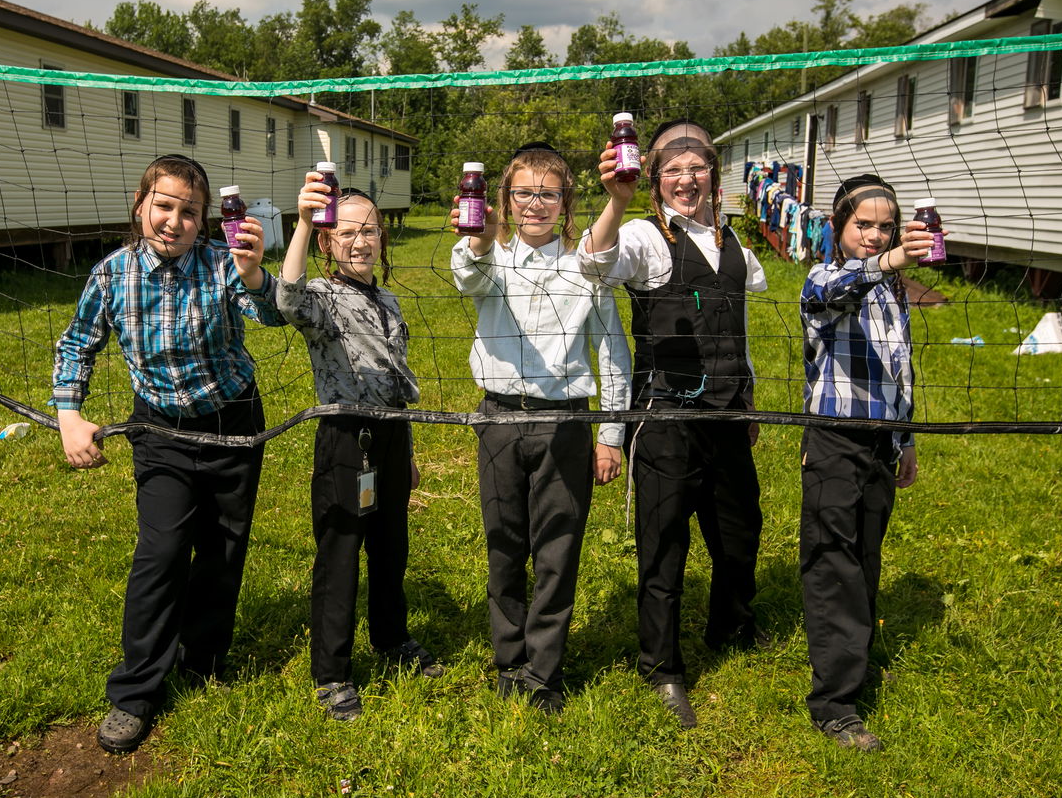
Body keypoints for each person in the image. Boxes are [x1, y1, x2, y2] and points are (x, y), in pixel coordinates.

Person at [53, 154, 285, 754]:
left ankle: (203, 658)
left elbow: (271, 315)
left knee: (223, 547)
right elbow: (78, 342)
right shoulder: (112, 274)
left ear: (205, 221)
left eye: (189, 212)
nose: (174, 221)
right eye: (164, 206)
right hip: (159, 430)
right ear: (140, 206)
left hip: (234, 421)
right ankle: (135, 692)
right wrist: (69, 415)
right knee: (160, 554)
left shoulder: (223, 265)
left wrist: (256, 274)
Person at [580, 119, 768, 729]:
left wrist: (749, 396)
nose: (687, 180)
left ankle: (730, 627)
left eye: (697, 169)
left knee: (741, 536)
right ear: (657, 180)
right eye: (674, 171)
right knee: (663, 548)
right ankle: (661, 667)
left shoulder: (736, 244)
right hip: (665, 418)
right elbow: (596, 265)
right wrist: (616, 202)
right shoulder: (643, 236)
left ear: (713, 174)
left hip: (729, 416)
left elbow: (737, 330)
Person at [450, 143, 630, 714]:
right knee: (503, 546)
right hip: (499, 418)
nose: (535, 203)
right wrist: (480, 234)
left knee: (557, 550)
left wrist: (610, 435)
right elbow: (468, 274)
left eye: (547, 194)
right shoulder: (489, 259)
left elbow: (615, 355)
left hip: (566, 424)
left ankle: (544, 671)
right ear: (503, 200)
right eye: (523, 192)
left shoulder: (587, 266)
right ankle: (509, 660)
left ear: (565, 204)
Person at [277, 179, 443, 722]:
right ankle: (331, 673)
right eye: (345, 232)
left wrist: (410, 452)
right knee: (342, 553)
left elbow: (398, 380)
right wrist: (303, 223)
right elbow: (287, 299)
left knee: (391, 546)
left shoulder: (390, 301)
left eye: (368, 229)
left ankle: (392, 641)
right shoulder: (322, 299)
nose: (359, 240)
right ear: (328, 243)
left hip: (392, 437)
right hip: (346, 438)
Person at [798, 174, 932, 752]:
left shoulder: (895, 290)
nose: (876, 236)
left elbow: (897, 369)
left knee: (866, 558)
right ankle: (834, 704)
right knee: (834, 569)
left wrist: (904, 440)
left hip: (880, 443)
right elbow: (831, 297)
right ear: (837, 228)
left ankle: (855, 666)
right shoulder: (826, 277)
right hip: (834, 440)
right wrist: (887, 262)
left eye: (886, 227)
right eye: (864, 226)